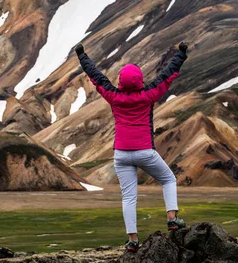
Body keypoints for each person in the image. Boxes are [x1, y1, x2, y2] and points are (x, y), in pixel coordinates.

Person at [75, 42, 189, 252]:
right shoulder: (148, 95)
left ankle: (133, 240)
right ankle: (172, 218)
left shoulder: (114, 97)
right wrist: (181, 54)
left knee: (129, 196)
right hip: (145, 151)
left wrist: (82, 56)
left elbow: (96, 77)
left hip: (121, 154)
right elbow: (168, 75)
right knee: (168, 179)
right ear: (139, 80)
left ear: (120, 81)